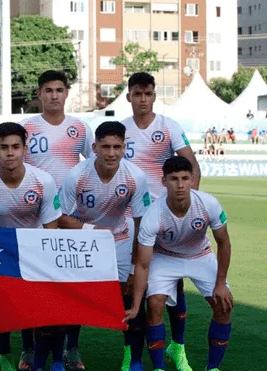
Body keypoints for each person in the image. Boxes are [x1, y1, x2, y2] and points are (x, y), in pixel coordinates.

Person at [122, 72, 201, 371]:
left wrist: (187, 207)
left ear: (154, 96)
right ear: (129, 96)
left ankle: (177, 347)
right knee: (131, 287)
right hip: (130, 219)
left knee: (174, 283)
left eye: (148, 94)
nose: (143, 99)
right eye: (137, 94)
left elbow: (191, 165)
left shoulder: (169, 126)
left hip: (165, 218)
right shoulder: (121, 129)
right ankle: (132, 353)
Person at [0, 122, 62, 371]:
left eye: (15, 147)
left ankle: (37, 361)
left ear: (24, 149)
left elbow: (51, 229)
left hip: (34, 252)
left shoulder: (43, 181)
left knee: (40, 308)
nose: (10, 152)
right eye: (4, 147)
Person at [124, 156, 232, 371]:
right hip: (165, 257)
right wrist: (136, 305)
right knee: (154, 304)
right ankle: (159, 367)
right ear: (164, 181)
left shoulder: (208, 203)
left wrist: (220, 283)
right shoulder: (153, 214)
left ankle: (213, 367)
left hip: (200, 255)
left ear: (193, 180)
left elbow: (224, 243)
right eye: (174, 179)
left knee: (224, 305)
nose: (180, 185)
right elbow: (143, 264)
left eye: (185, 178)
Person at [58, 121, 151, 371]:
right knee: (76, 297)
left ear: (124, 148)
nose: (111, 153)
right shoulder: (76, 175)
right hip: (82, 241)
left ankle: (132, 358)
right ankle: (71, 350)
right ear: (94, 147)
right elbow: (61, 217)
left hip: (119, 238)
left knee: (130, 297)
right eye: (105, 146)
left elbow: (141, 223)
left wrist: (134, 268)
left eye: (117, 147)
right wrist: (94, 232)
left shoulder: (135, 177)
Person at [19, 70, 94, 371]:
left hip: (71, 219)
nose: (53, 95)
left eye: (59, 90)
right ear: (39, 94)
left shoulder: (80, 128)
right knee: (32, 288)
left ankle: (71, 349)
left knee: (71, 288)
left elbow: (95, 165)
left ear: (66, 94)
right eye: (47, 90)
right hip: (35, 220)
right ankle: (28, 349)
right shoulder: (26, 128)